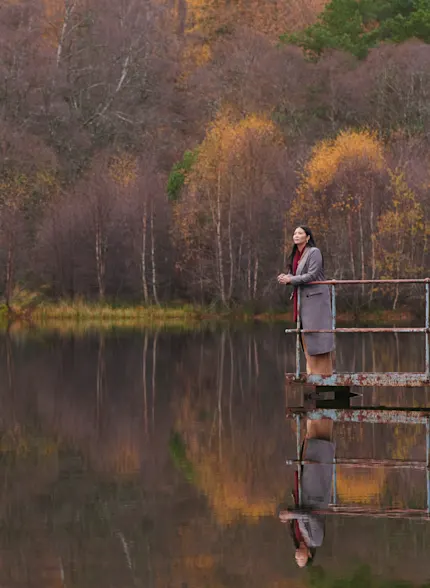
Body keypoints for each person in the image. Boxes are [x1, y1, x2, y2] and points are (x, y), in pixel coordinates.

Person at [277, 226, 334, 375]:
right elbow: (295, 274)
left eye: (300, 233)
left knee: (318, 335)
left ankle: (323, 375)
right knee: (306, 334)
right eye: (294, 233)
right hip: (303, 300)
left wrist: (291, 279)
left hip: (316, 300)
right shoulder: (296, 254)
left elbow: (312, 275)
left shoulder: (314, 252)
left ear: (307, 237)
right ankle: (312, 372)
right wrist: (286, 277)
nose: (296, 235)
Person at [279, 417, 335, 568]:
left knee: (310, 442)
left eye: (297, 560)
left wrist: (288, 515)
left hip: (306, 488)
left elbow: (299, 514)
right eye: (301, 560)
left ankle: (314, 413)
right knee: (320, 443)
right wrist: (291, 514)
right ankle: (324, 412)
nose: (298, 558)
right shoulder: (316, 540)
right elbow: (310, 515)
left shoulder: (297, 537)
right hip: (316, 489)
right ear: (309, 555)